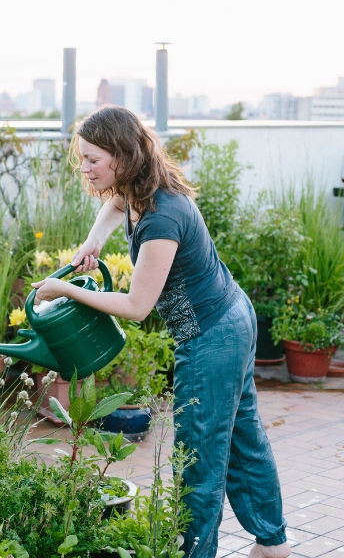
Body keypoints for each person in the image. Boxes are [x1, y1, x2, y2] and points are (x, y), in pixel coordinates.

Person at [30, 105, 290, 558]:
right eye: (82, 157)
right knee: (243, 438)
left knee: (197, 458)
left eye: (93, 159)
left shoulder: (162, 218)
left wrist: (64, 291)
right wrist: (94, 241)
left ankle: (199, 553)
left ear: (123, 156)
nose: (85, 168)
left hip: (212, 336)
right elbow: (114, 205)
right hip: (229, 317)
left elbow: (136, 305)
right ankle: (273, 545)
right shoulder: (138, 188)